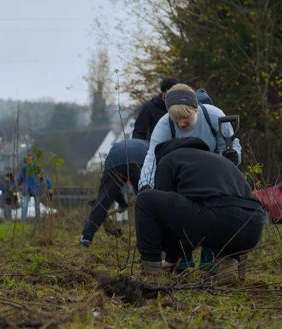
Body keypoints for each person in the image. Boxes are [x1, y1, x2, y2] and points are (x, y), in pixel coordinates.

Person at [136, 137, 264, 282]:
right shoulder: (219, 160)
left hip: (216, 219)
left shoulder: (168, 159)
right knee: (224, 213)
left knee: (145, 199)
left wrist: (171, 256)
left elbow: (166, 220)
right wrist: (177, 254)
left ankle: (151, 273)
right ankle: (228, 266)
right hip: (253, 226)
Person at [137, 83, 242, 191]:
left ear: (195, 109)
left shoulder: (215, 116)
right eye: (176, 118)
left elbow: (230, 145)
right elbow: (152, 158)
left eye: (185, 117)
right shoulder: (164, 126)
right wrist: (146, 184)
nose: (181, 123)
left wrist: (234, 156)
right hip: (181, 177)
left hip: (214, 172)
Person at [80, 138, 148, 247]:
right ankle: (149, 241)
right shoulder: (149, 145)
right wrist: (125, 202)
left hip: (115, 161)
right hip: (141, 161)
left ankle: (86, 238)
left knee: (103, 199)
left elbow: (112, 190)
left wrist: (122, 203)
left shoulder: (116, 148)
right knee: (148, 201)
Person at [17, 153, 52, 224]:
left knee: (37, 206)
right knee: (24, 206)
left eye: (30, 159)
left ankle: (37, 222)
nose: (29, 161)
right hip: (27, 190)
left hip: (36, 189)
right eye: (27, 159)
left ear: (33, 160)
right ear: (26, 160)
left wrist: (49, 186)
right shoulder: (24, 169)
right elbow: (19, 179)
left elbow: (44, 178)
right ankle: (23, 222)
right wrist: (13, 187)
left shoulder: (37, 168)